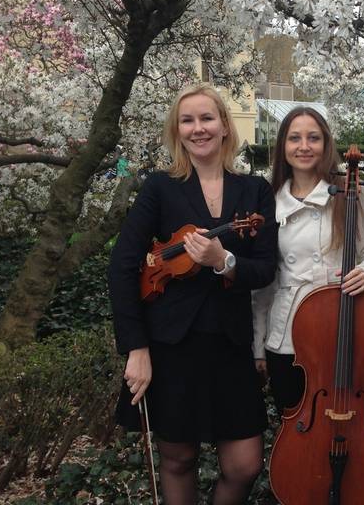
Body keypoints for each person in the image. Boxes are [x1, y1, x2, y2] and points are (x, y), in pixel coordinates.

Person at [108, 85, 278, 505]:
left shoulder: (254, 190)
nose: (198, 128)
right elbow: (124, 266)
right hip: (172, 344)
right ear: (177, 130)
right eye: (188, 120)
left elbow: (265, 268)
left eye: (207, 119)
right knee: (178, 459)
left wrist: (224, 261)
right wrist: (136, 348)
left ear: (224, 126)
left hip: (230, 344)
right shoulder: (160, 188)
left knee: (244, 466)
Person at [252, 107, 364, 414]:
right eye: (294, 138)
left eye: (313, 138)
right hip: (287, 335)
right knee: (297, 428)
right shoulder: (269, 202)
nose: (303, 146)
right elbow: (263, 285)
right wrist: (258, 345)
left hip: (341, 326)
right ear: (283, 147)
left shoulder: (349, 194)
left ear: (325, 144)